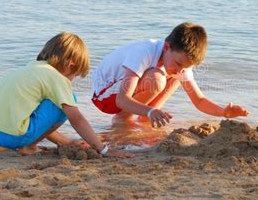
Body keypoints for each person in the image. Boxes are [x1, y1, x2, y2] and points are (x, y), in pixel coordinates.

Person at [0, 32, 133, 158]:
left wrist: (67, 142)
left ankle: (3, 145)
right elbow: (76, 119)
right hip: (11, 136)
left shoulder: (29, 69)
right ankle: (28, 147)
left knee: (47, 104)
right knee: (67, 103)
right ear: (70, 66)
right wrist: (103, 149)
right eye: (75, 75)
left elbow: (37, 119)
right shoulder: (56, 77)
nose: (72, 80)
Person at [91, 22, 248, 128]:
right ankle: (122, 119)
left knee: (176, 77)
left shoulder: (178, 63)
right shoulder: (144, 51)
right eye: (179, 63)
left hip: (122, 95)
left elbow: (199, 101)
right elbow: (122, 99)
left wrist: (223, 112)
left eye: (186, 66)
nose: (181, 69)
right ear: (167, 47)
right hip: (104, 95)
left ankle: (146, 119)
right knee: (157, 79)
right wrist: (150, 110)